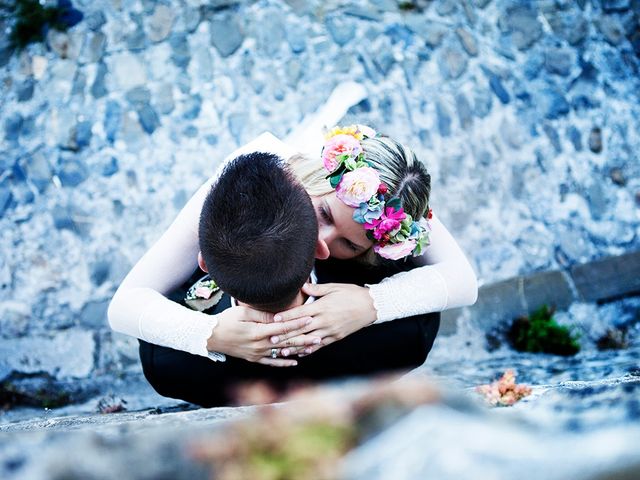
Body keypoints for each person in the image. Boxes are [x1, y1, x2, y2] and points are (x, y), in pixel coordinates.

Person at [108, 82, 478, 406]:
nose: (321, 242)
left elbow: (462, 280)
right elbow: (125, 303)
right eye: (325, 214)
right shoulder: (246, 177)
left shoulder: (395, 197)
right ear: (314, 175)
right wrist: (211, 334)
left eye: (349, 243)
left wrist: (371, 304)